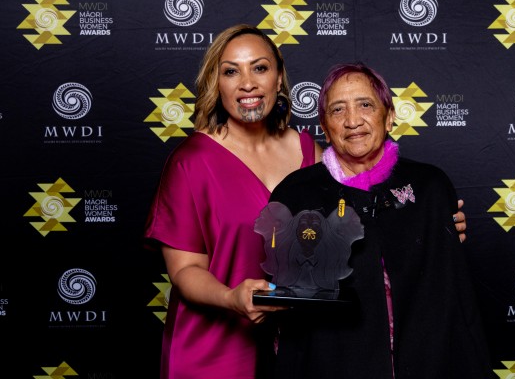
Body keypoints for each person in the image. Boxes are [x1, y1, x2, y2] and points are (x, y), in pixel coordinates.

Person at [144, 24, 468, 379]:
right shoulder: (190, 161)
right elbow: (184, 271)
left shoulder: (308, 152)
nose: (247, 82)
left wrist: (435, 227)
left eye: (260, 67)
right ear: (215, 84)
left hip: (293, 344)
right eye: (231, 71)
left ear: (279, 79)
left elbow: (364, 219)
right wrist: (230, 298)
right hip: (214, 344)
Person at [260, 62, 492, 379]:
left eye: (365, 105)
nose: (353, 121)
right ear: (324, 127)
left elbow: (456, 302)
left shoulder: (429, 187)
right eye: (337, 110)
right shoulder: (296, 194)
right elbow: (290, 316)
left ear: (389, 115)